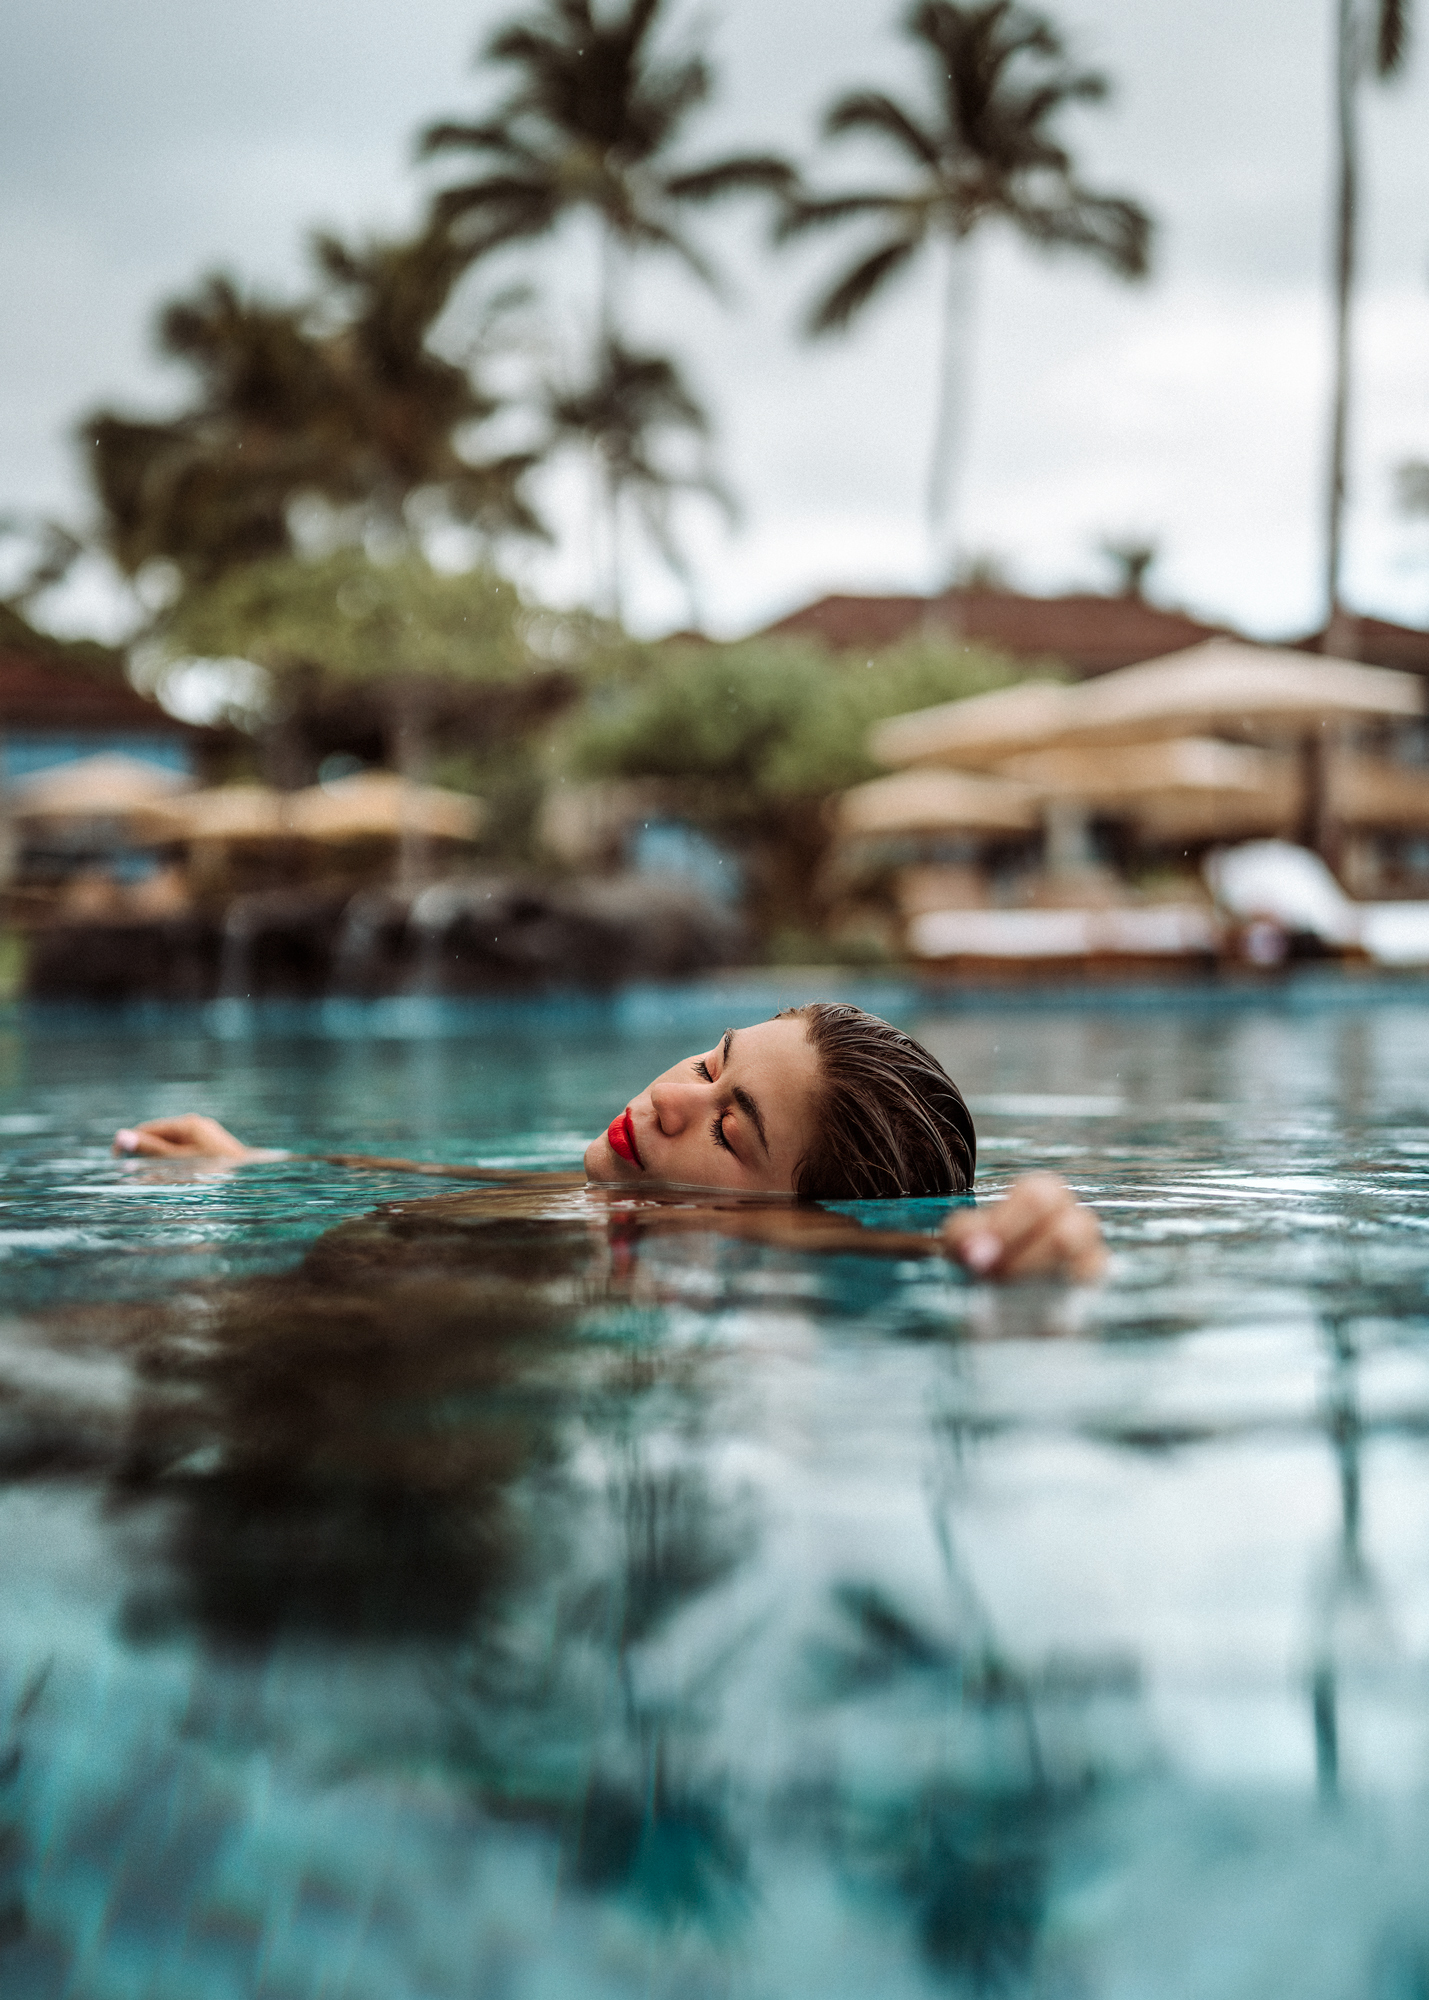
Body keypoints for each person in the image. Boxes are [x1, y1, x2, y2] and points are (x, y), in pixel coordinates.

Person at [112, 1002, 1106, 1282]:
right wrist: (250, 1161)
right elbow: (484, 1183)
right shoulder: (619, 1208)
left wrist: (1012, 1251)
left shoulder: (763, 1246)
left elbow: (871, 1242)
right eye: (712, 1064)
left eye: (729, 1128)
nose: (672, 1097)